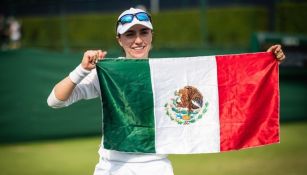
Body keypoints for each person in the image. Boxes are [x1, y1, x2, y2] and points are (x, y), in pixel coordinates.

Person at [47, 7, 286, 175]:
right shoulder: (107, 73)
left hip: (156, 167)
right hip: (111, 167)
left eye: (143, 32)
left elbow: (229, 82)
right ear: (119, 40)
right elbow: (54, 101)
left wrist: (266, 62)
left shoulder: (169, 73)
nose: (137, 40)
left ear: (151, 36)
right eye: (130, 34)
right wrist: (81, 69)